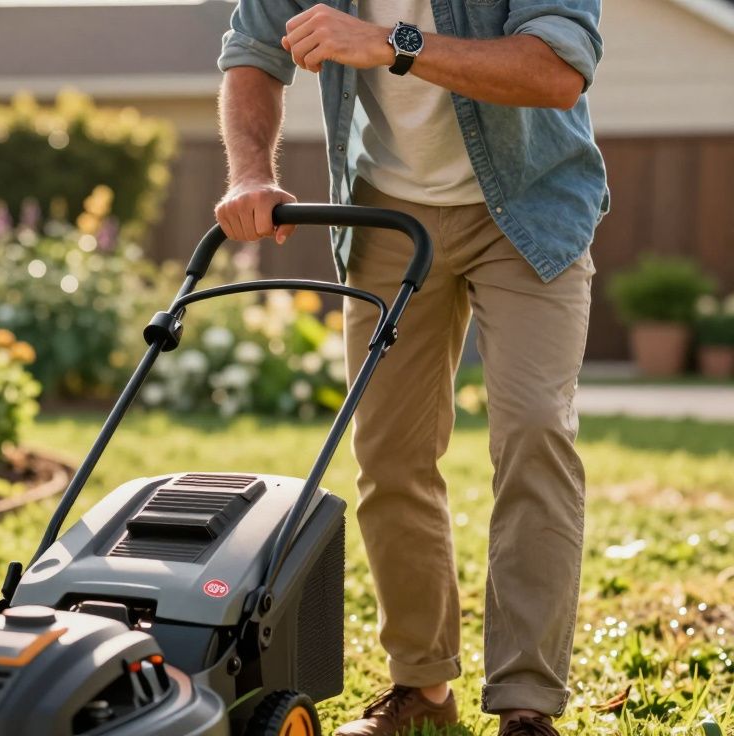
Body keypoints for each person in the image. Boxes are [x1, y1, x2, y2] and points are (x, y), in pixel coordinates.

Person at [213, 2, 607, 735]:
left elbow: (558, 69)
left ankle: (526, 704)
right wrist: (248, 175)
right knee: (390, 454)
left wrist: (391, 44)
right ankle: (421, 688)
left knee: (533, 433)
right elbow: (253, 51)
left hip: (529, 205)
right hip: (389, 211)